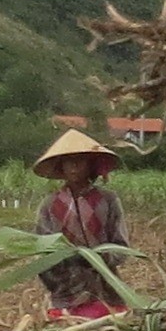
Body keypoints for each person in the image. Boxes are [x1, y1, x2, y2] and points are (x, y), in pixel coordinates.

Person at [31, 129, 134, 320]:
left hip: (106, 291)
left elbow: (121, 247)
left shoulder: (107, 200)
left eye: (80, 160)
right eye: (69, 161)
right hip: (66, 293)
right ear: (61, 166)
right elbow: (43, 253)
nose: (74, 166)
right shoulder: (51, 205)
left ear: (91, 164)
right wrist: (61, 273)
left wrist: (98, 259)